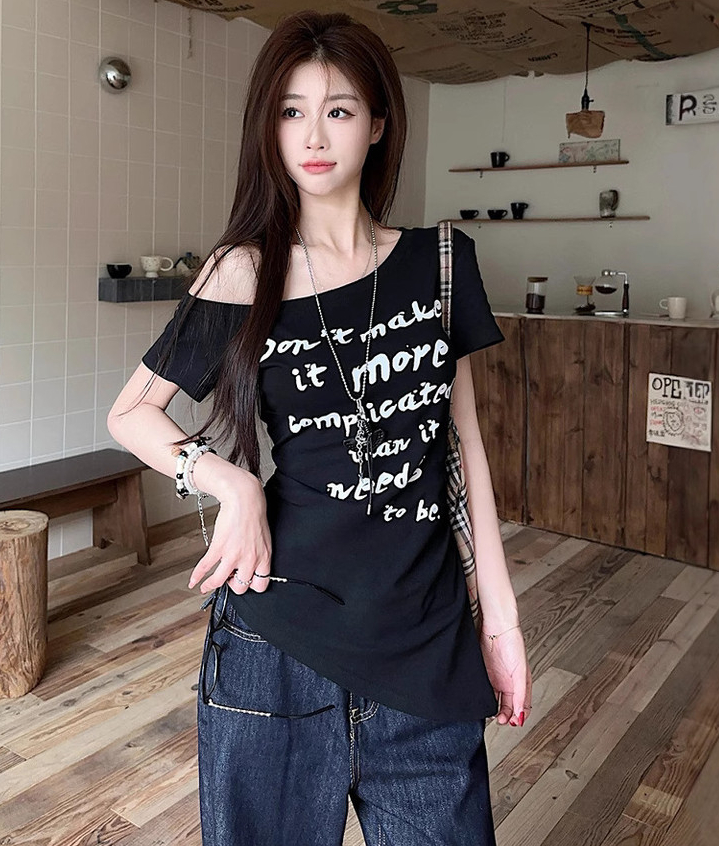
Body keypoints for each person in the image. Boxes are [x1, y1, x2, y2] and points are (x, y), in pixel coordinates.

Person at [107, 9, 531, 845]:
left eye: (338, 110)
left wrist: (501, 622)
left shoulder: (442, 262)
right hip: (277, 645)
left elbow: (463, 448)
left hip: (424, 641)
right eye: (291, 111)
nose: (313, 135)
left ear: (377, 124)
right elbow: (131, 413)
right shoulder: (242, 272)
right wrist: (230, 483)